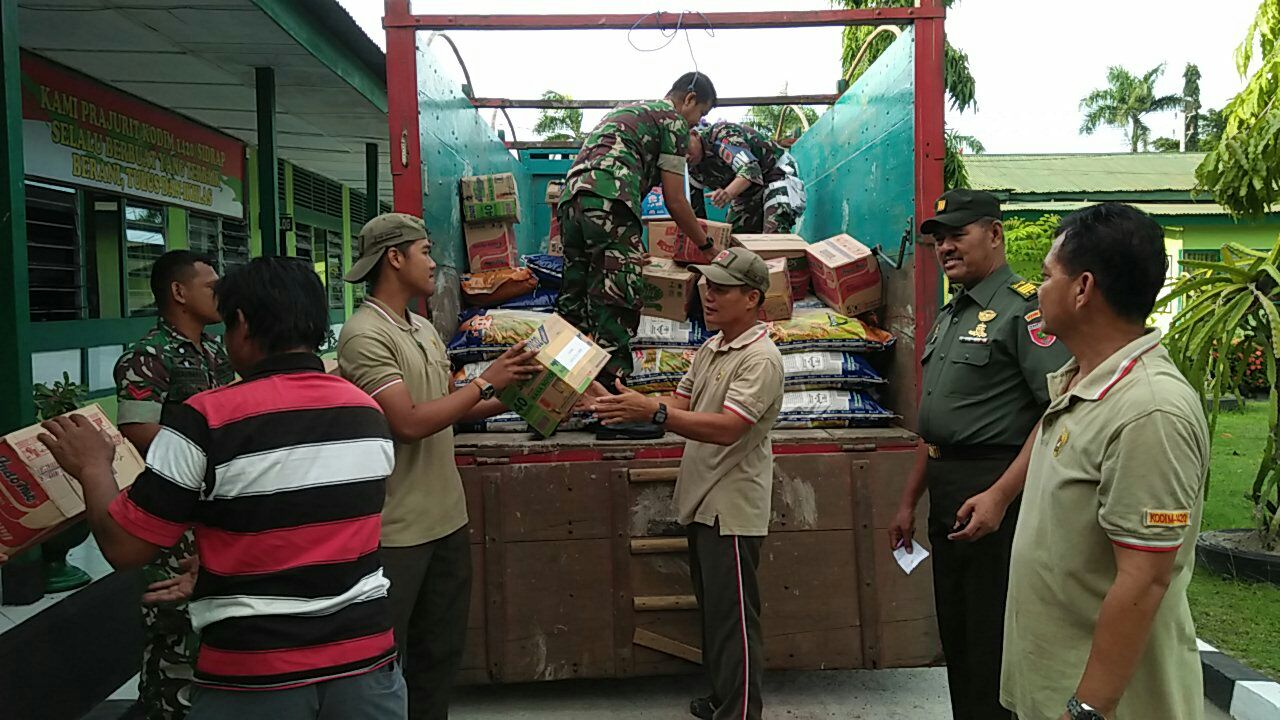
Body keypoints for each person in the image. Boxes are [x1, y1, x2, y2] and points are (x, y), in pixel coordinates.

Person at [37, 256, 406, 719]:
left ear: (243, 325)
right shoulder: (367, 413)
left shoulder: (204, 418)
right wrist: (226, 565)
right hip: (367, 667)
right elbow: (327, 524)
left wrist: (93, 467)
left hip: (255, 675)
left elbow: (125, 549)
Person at [957, 204, 1207, 720]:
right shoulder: (1083, 379)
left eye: (1047, 275)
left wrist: (1088, 707)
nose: (1037, 288)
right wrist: (1001, 494)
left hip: (1105, 703)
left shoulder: (1148, 410)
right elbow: (1056, 432)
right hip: (1052, 680)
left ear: (1083, 288)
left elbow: (1145, 578)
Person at [338, 213, 540, 720]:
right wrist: (486, 382)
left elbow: (448, 407)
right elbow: (407, 422)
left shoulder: (423, 329)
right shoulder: (364, 337)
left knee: (439, 655)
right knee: (383, 662)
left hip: (447, 520)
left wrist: (520, 392)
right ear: (394, 257)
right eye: (425, 251)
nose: (433, 262)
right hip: (398, 530)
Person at [887, 189, 1071, 720]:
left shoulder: (1024, 309)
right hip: (948, 486)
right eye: (938, 238)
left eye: (957, 234)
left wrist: (1000, 495)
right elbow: (937, 425)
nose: (945, 246)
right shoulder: (952, 314)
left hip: (997, 488)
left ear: (994, 234)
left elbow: (1057, 411)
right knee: (959, 632)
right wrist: (907, 502)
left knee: (993, 635)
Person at [591, 247, 784, 720]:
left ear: (752, 297)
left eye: (720, 288)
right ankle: (723, 697)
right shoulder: (712, 347)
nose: (707, 294)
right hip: (702, 501)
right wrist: (614, 399)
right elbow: (676, 404)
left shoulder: (760, 359)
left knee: (735, 621)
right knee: (716, 615)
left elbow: (725, 427)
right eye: (706, 285)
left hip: (731, 508)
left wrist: (652, 411)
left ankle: (739, 712)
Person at [113, 249, 235, 720]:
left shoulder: (217, 350)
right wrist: (208, 456)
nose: (220, 293)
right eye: (210, 285)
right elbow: (138, 431)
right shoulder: (147, 356)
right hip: (175, 512)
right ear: (179, 293)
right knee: (173, 627)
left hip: (214, 507)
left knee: (209, 622)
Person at [556, 72, 718, 388]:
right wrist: (706, 245)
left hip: (571, 201)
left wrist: (632, 243)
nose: (696, 125)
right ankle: (611, 403)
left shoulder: (630, 110)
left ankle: (552, 395)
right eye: (701, 113)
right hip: (609, 200)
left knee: (572, 300)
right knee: (617, 298)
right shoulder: (673, 121)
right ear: (688, 99)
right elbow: (675, 199)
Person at [686, 120, 806, 234]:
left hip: (774, 174)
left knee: (774, 231)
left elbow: (751, 170)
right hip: (746, 192)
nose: (685, 156)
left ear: (694, 134)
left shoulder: (722, 135)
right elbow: (696, 218)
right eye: (678, 152)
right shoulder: (689, 169)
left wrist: (727, 193)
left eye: (686, 147)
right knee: (734, 240)